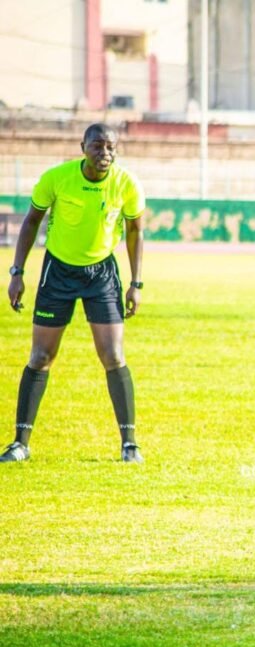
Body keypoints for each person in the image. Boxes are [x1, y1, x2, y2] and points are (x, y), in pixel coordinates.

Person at [2, 123, 145, 464]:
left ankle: (129, 445)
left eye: (110, 146)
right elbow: (31, 221)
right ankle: (20, 443)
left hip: (101, 274)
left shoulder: (126, 184)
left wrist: (135, 283)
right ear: (83, 146)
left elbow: (136, 231)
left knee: (113, 355)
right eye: (97, 146)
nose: (104, 152)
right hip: (59, 271)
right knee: (41, 356)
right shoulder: (57, 178)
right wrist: (17, 272)